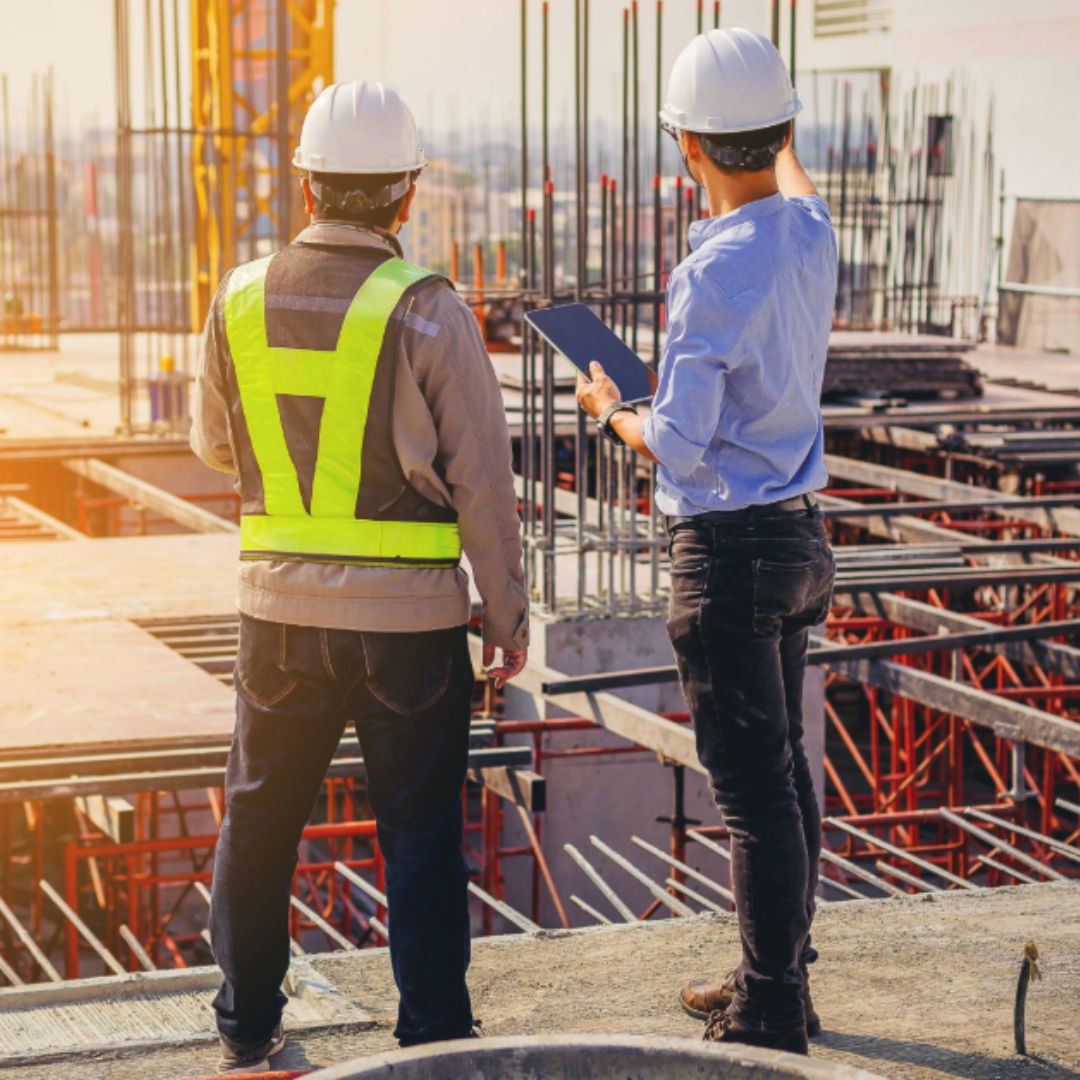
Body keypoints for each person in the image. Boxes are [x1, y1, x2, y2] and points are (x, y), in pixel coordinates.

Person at [191, 80, 529, 1073]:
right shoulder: (429, 311)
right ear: (406, 194)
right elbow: (485, 486)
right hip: (410, 630)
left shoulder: (240, 297)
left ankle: (247, 1033)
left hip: (277, 615)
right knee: (421, 838)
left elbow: (216, 444)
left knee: (257, 820)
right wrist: (505, 616)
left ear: (305, 184)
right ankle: (431, 1041)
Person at [575, 28, 837, 1055]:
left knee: (754, 792)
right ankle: (779, 973)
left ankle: (770, 1008)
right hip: (798, 541)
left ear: (686, 148)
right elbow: (794, 182)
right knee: (783, 775)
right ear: (778, 134)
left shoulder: (714, 269)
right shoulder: (809, 234)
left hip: (727, 554)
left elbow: (678, 447)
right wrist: (774, 128)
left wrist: (607, 405)